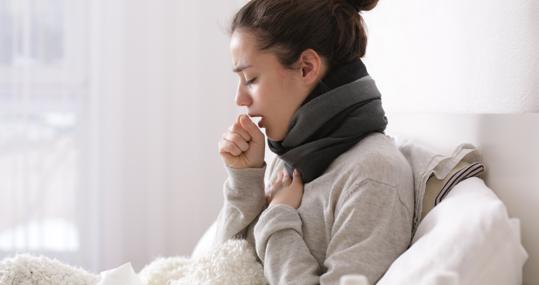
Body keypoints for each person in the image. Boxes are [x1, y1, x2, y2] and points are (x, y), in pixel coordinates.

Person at [216, 0, 414, 284]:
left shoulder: (373, 175)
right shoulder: (290, 162)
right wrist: (244, 180)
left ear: (306, 68)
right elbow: (223, 269)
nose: (240, 99)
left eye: (251, 78)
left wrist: (279, 217)